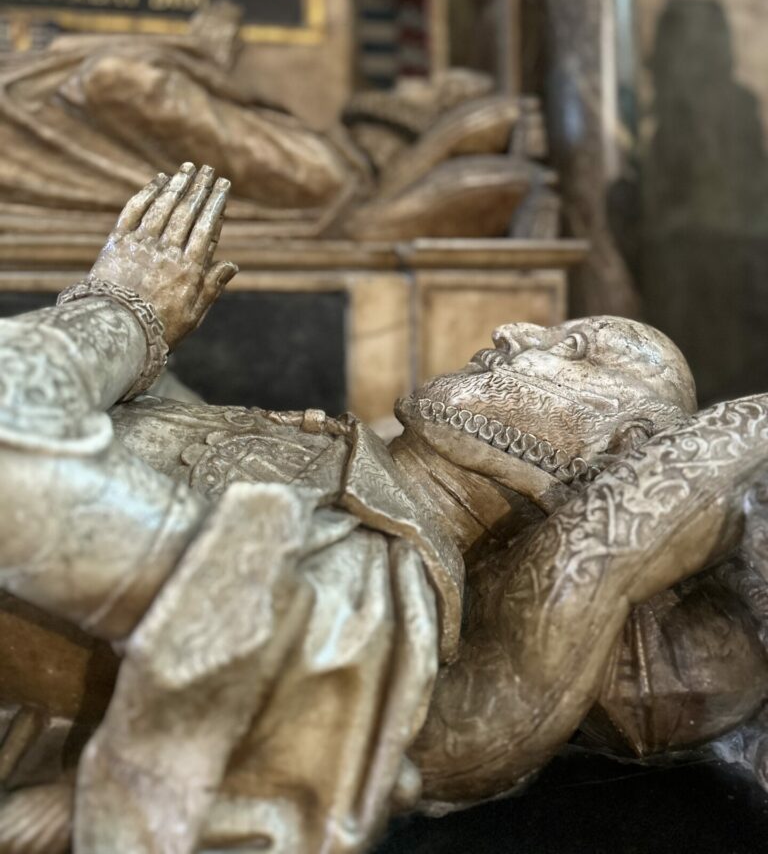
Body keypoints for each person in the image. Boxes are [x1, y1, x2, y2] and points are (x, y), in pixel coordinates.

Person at [1, 165, 768, 854]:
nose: (515, 330)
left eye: (576, 354)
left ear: (604, 459)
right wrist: (144, 348)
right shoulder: (343, 476)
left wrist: (125, 309)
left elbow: (13, 424)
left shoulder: (368, 577)